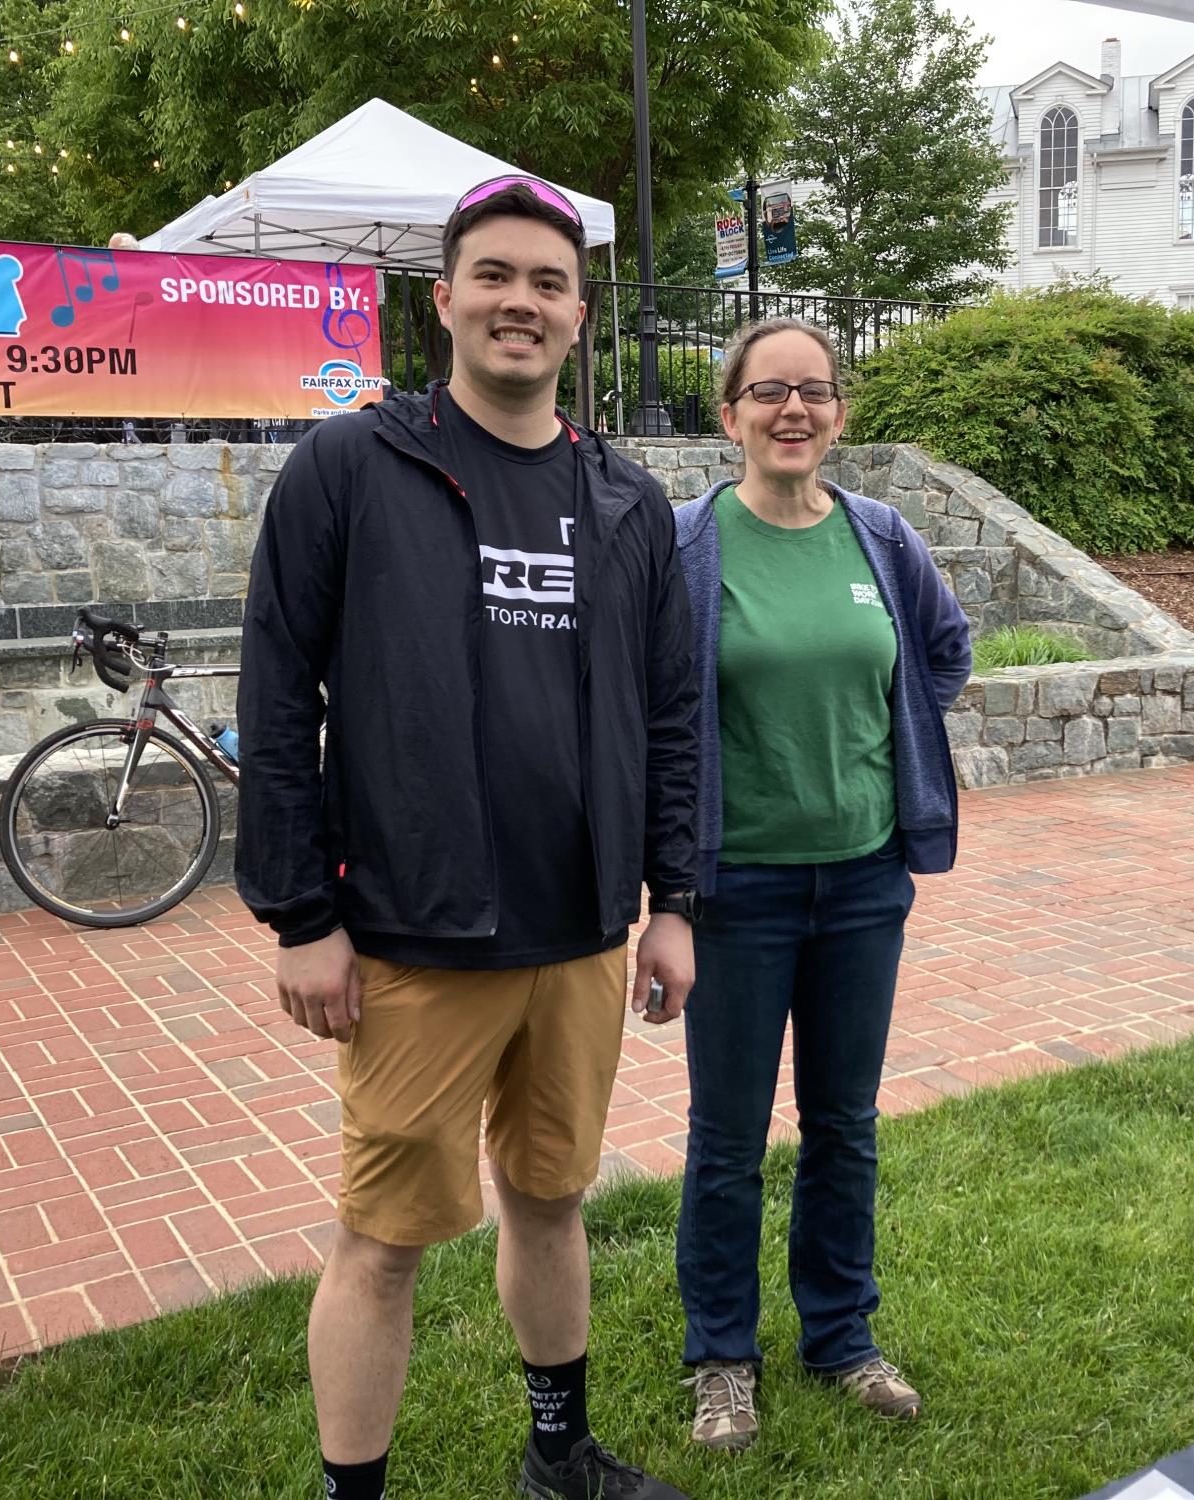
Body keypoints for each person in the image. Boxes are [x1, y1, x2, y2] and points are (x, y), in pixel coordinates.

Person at [235, 174, 702, 1500]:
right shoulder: (351, 466)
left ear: (578, 315)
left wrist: (674, 900)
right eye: (495, 276)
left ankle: (560, 1458)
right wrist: (301, 917)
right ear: (441, 300)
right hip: (414, 939)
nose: (521, 302)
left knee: (550, 1202)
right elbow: (278, 692)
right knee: (383, 1240)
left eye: (548, 283)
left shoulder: (624, 498)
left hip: (576, 931)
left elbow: (673, 713)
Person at [669, 318, 972, 1450]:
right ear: (729, 413)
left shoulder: (881, 537)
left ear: (839, 411)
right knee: (726, 1136)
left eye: (813, 392)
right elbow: (656, 701)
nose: (790, 411)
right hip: (734, 889)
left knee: (842, 1124)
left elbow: (941, 653)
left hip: (860, 883)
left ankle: (840, 1336)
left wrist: (882, 753)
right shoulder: (687, 542)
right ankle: (720, 1359)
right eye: (766, 393)